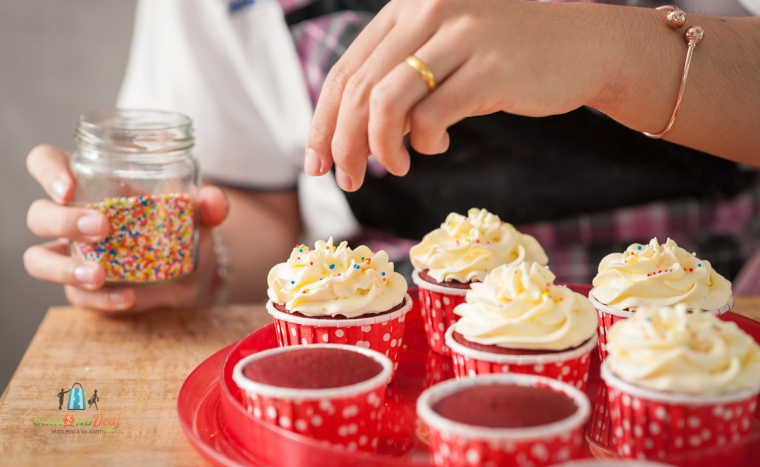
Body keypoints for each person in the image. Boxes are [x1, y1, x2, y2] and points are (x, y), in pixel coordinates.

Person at [23, 0, 760, 313]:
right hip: (392, 339)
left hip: (723, 318)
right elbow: (261, 209)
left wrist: (610, 54)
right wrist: (202, 258)